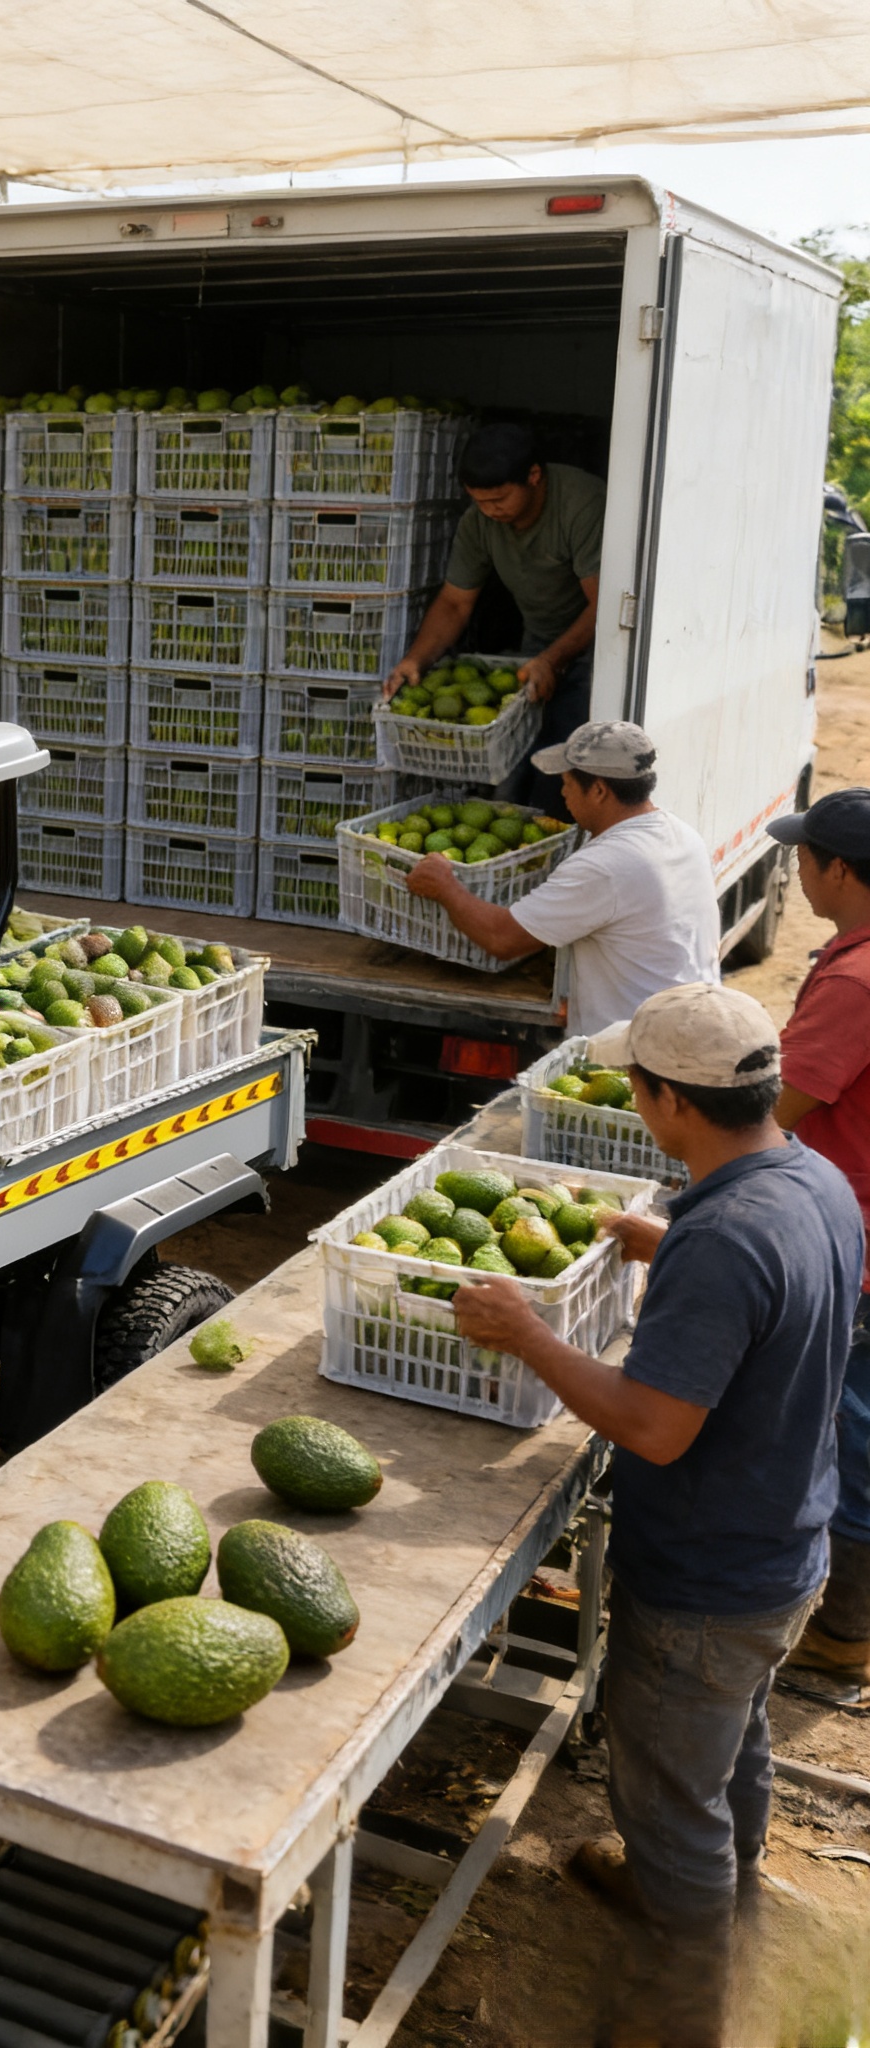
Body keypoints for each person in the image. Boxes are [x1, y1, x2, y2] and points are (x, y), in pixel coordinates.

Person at [452, 983, 859, 2044]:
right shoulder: (812, 1178)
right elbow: (770, 1300)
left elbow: (655, 1424)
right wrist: (651, 1238)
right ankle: (724, 1907)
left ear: (669, 1101)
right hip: (783, 1544)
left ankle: (680, 2007)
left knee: (668, 1791)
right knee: (734, 1746)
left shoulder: (723, 1237)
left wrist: (528, 1334)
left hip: (705, 1576)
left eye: (636, 1086)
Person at [403, 721, 720, 1035]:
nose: (563, 792)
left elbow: (502, 939)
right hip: (686, 1027)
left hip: (639, 1049)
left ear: (598, 790)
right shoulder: (682, 834)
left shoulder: (603, 866)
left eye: (567, 782)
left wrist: (445, 887)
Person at [763, 788, 870, 1686]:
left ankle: (843, 1634)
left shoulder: (852, 981)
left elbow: (775, 1115)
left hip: (857, 1235)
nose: (795, 870)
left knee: (851, 1424)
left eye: (804, 857)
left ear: (838, 870)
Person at [387, 421, 604, 812]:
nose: (489, 511)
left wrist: (555, 660)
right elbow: (455, 602)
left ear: (534, 477)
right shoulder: (480, 521)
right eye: (479, 501)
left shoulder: (581, 504)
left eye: (499, 500)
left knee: (565, 761)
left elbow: (604, 603)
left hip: (596, 646)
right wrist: (415, 660)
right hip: (536, 643)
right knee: (514, 763)